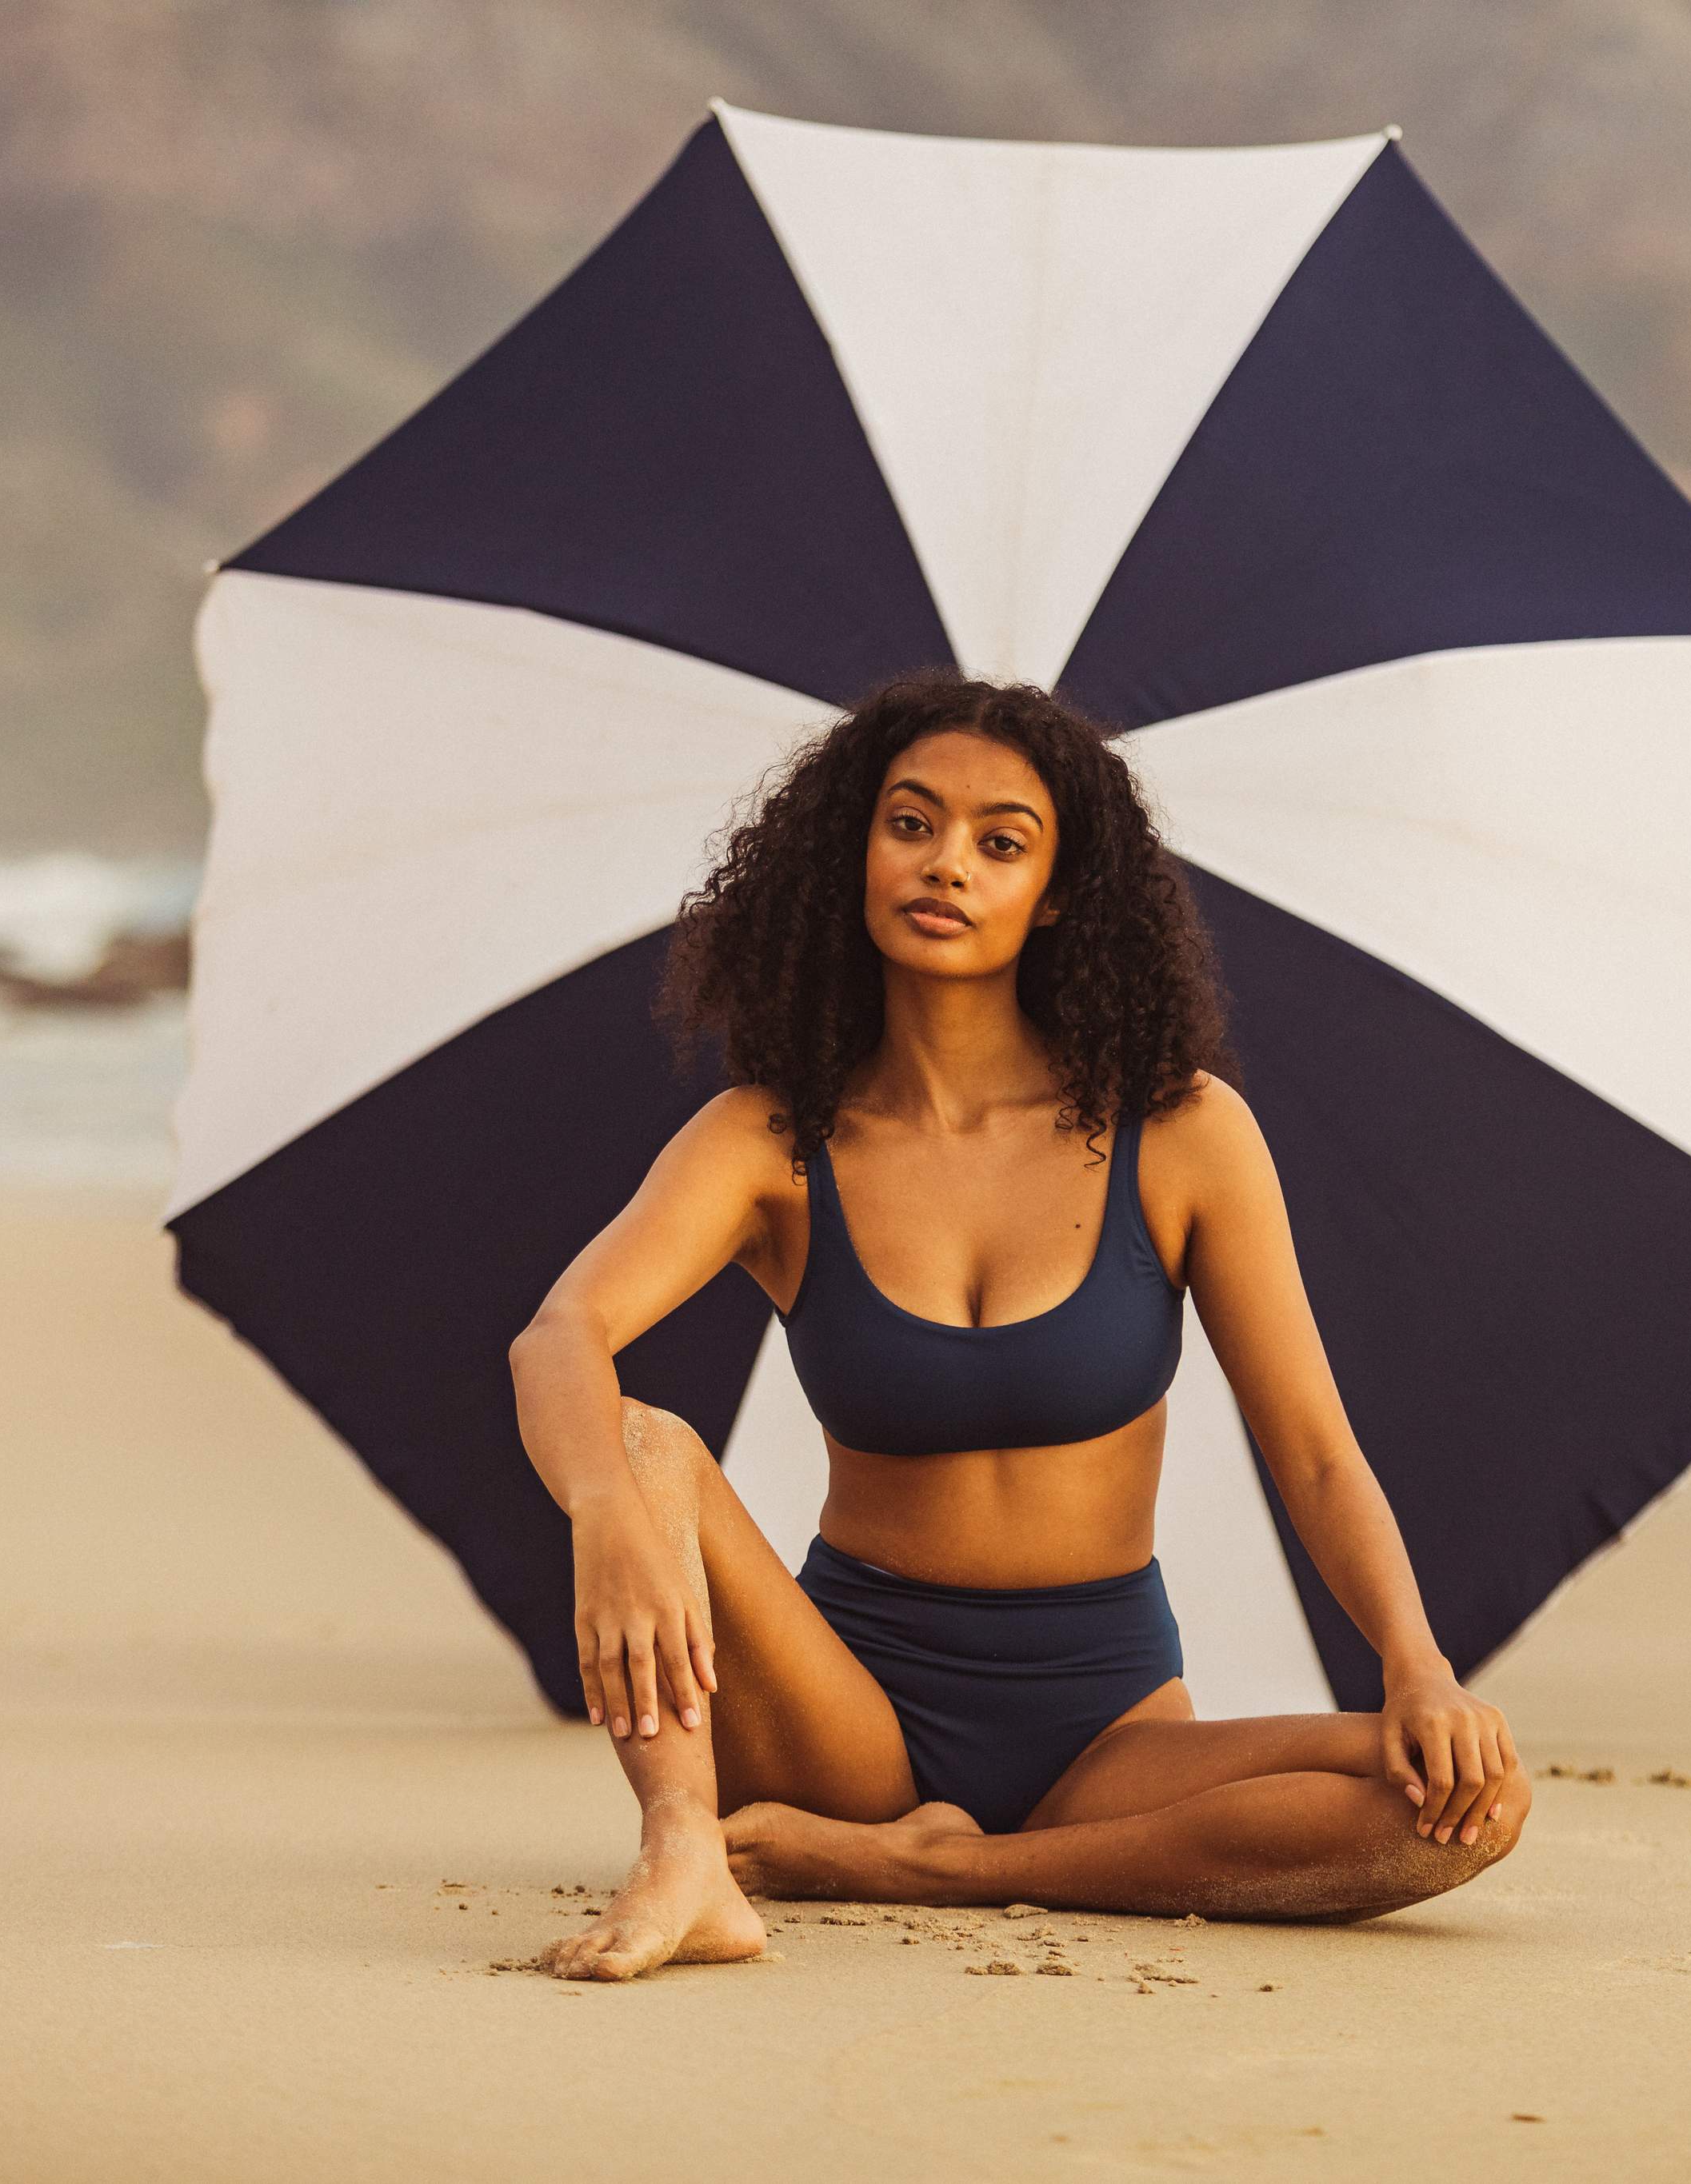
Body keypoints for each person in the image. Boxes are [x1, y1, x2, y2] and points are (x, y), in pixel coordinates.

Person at [509, 668, 1529, 1982]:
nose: (949, 866)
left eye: (1003, 843)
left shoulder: (1181, 1132)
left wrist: (1417, 1667)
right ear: (852, 852)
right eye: (912, 823)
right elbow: (560, 1333)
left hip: (1107, 1735)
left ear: (1058, 895)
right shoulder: (770, 1143)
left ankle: (942, 1865)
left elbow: (1319, 1457)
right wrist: (606, 1514)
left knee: (1464, 1802)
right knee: (643, 1450)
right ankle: (684, 1849)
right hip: (846, 1727)